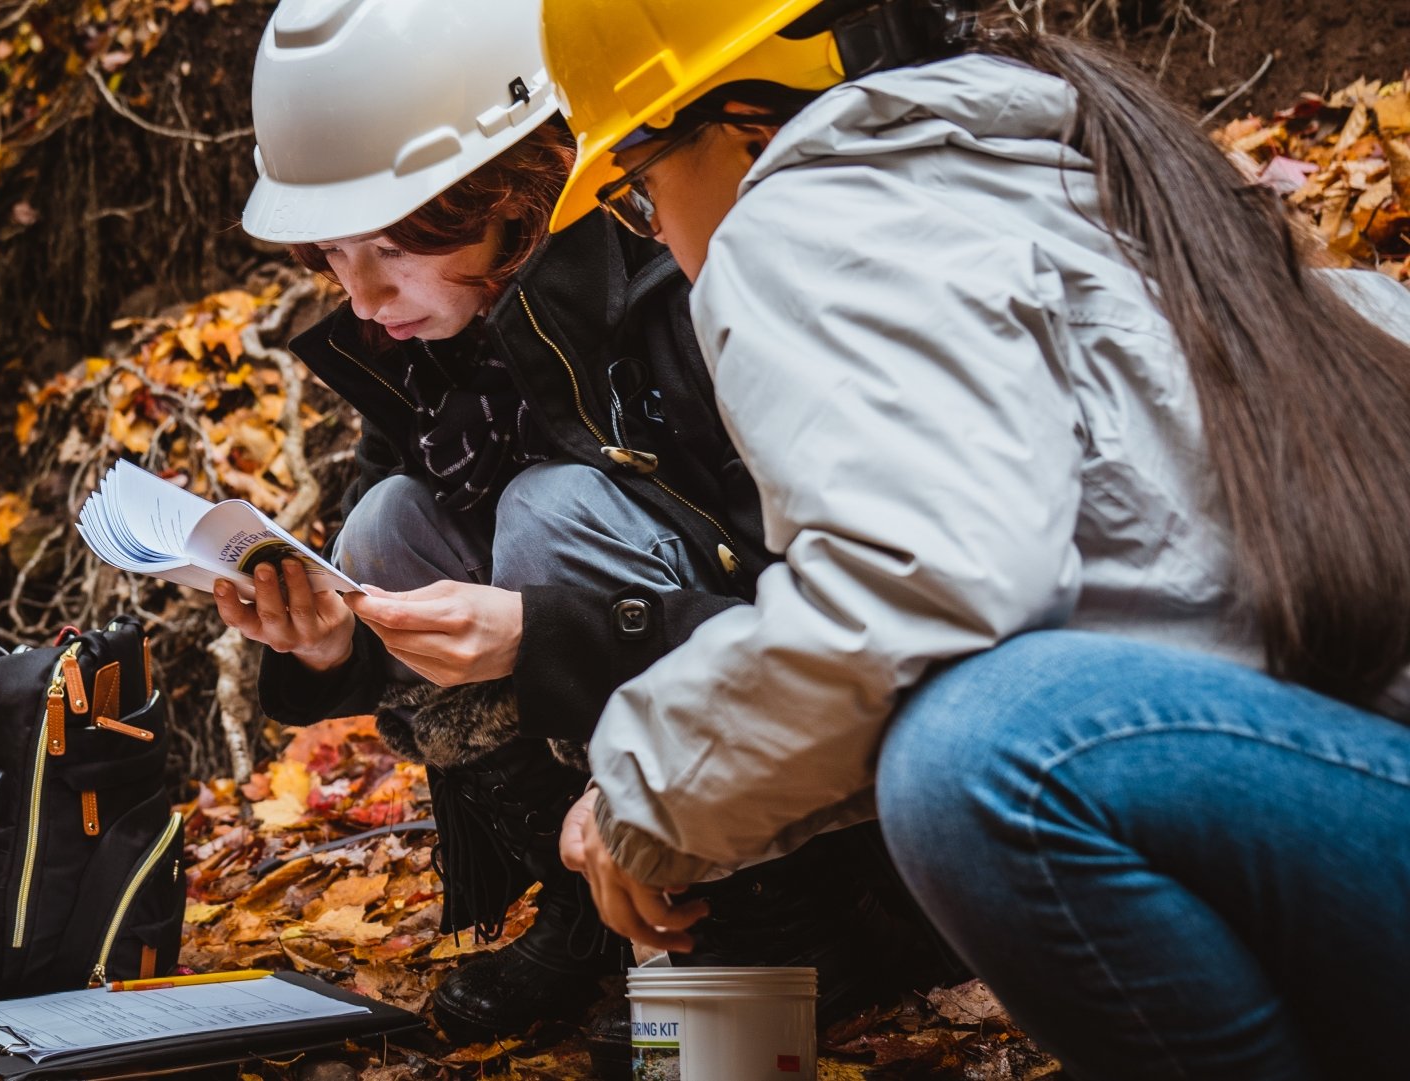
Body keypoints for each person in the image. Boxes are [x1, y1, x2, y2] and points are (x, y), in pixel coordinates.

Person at [539, 1, 1410, 1077]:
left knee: (983, 751)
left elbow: (919, 593)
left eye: (638, 191)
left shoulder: (807, 216)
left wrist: (640, 789)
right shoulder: (1117, 183)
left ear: (748, 130)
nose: (657, 239)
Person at [227, 0, 958, 1042]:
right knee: (386, 523)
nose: (363, 294)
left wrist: (541, 630)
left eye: (392, 246)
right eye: (333, 257)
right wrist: (331, 638)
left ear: (511, 188)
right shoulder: (422, 329)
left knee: (548, 512)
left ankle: (763, 920)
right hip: (643, 687)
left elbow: (826, 603)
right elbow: (399, 549)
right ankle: (588, 906)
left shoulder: (681, 264)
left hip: (813, 757)